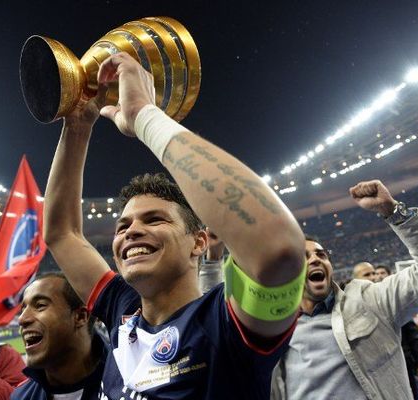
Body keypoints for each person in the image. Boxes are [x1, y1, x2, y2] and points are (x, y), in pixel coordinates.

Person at [43, 52, 306, 399]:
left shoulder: (226, 323)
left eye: (155, 219)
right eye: (122, 227)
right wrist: (77, 126)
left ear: (198, 242)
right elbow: (62, 233)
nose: (130, 232)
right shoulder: (123, 308)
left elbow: (278, 248)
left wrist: (144, 118)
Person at [270, 180, 418, 400]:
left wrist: (392, 211)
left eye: (321, 255)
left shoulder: (370, 300)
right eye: (302, 257)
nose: (314, 260)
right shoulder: (271, 330)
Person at [11, 273, 105, 400]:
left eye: (40, 305)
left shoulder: (128, 382)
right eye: (23, 309)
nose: (21, 319)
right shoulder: (21, 396)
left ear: (80, 317)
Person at [356, 261, 418, 400]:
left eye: (374, 273)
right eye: (368, 274)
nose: (373, 277)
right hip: (374, 372)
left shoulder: (391, 302)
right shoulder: (351, 308)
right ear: (355, 280)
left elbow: (413, 334)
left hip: (402, 365)